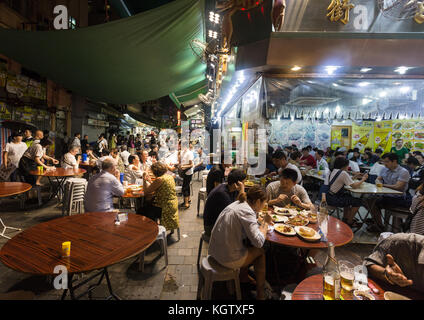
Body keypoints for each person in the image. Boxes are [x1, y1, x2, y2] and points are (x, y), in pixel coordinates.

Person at [208, 186, 273, 300]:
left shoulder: (239, 203)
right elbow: (258, 242)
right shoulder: (247, 211)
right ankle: (260, 294)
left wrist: (259, 222)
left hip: (215, 251)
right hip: (226, 258)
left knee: (247, 244)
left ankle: (243, 278)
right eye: (264, 203)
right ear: (258, 202)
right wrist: (265, 223)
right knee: (261, 251)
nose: (264, 206)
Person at [368, 153, 411, 232]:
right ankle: (379, 224)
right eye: (384, 162)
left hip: (397, 198)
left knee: (372, 201)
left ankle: (379, 225)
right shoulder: (384, 169)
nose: (385, 164)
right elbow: (378, 179)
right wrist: (378, 181)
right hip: (385, 195)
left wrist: (382, 185)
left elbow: (398, 187)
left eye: (387, 162)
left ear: (394, 161)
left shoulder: (403, 172)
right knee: (368, 200)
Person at [325, 157, 368, 228]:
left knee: (347, 196)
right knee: (358, 201)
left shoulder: (334, 171)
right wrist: (363, 179)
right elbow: (354, 186)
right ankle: (349, 222)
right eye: (348, 165)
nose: (348, 167)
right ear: (344, 165)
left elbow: (344, 180)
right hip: (334, 199)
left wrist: (355, 176)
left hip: (329, 197)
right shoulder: (343, 173)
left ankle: (345, 218)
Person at [203, 169, 247, 237]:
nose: (244, 185)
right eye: (243, 183)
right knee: (244, 233)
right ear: (237, 184)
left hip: (221, 222)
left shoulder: (231, 189)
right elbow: (234, 211)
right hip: (212, 227)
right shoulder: (221, 193)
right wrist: (242, 190)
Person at [138, 162, 179, 231]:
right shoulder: (169, 176)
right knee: (148, 206)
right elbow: (159, 187)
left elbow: (146, 191)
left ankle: (150, 230)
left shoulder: (159, 179)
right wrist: (151, 182)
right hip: (172, 204)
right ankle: (154, 227)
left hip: (165, 207)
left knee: (141, 210)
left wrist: (144, 180)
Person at [179, 143, 194, 209]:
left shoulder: (189, 153)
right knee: (186, 186)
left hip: (188, 172)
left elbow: (191, 165)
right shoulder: (182, 152)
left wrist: (183, 166)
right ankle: (188, 200)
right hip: (184, 172)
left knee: (185, 187)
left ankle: (186, 203)